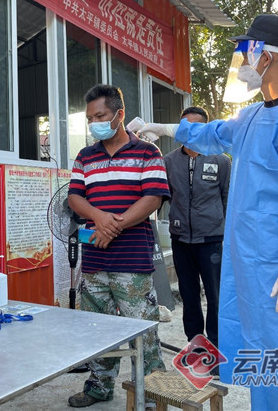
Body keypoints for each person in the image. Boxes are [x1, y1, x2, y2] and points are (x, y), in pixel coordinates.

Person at [138, 15, 278, 410]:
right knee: (264, 358)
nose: (241, 62)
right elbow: (213, 133)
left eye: (245, 53)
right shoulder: (254, 117)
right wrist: (163, 127)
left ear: (266, 56)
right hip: (251, 268)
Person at [67, 84, 170, 408]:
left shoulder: (146, 153)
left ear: (119, 114)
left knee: (143, 330)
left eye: (101, 115)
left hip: (132, 261)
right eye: (90, 118)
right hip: (95, 260)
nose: (94, 122)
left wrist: (115, 226)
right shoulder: (85, 156)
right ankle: (99, 386)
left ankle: (152, 391)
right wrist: (99, 218)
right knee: (97, 329)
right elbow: (74, 197)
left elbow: (152, 197)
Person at [163, 106, 230, 354]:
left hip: (211, 239)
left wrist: (222, 229)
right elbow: (163, 197)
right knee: (189, 295)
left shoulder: (221, 161)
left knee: (215, 295)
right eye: (184, 127)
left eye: (196, 127)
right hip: (181, 240)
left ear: (205, 130)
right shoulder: (168, 162)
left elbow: (227, 198)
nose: (189, 132)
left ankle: (216, 344)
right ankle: (196, 345)